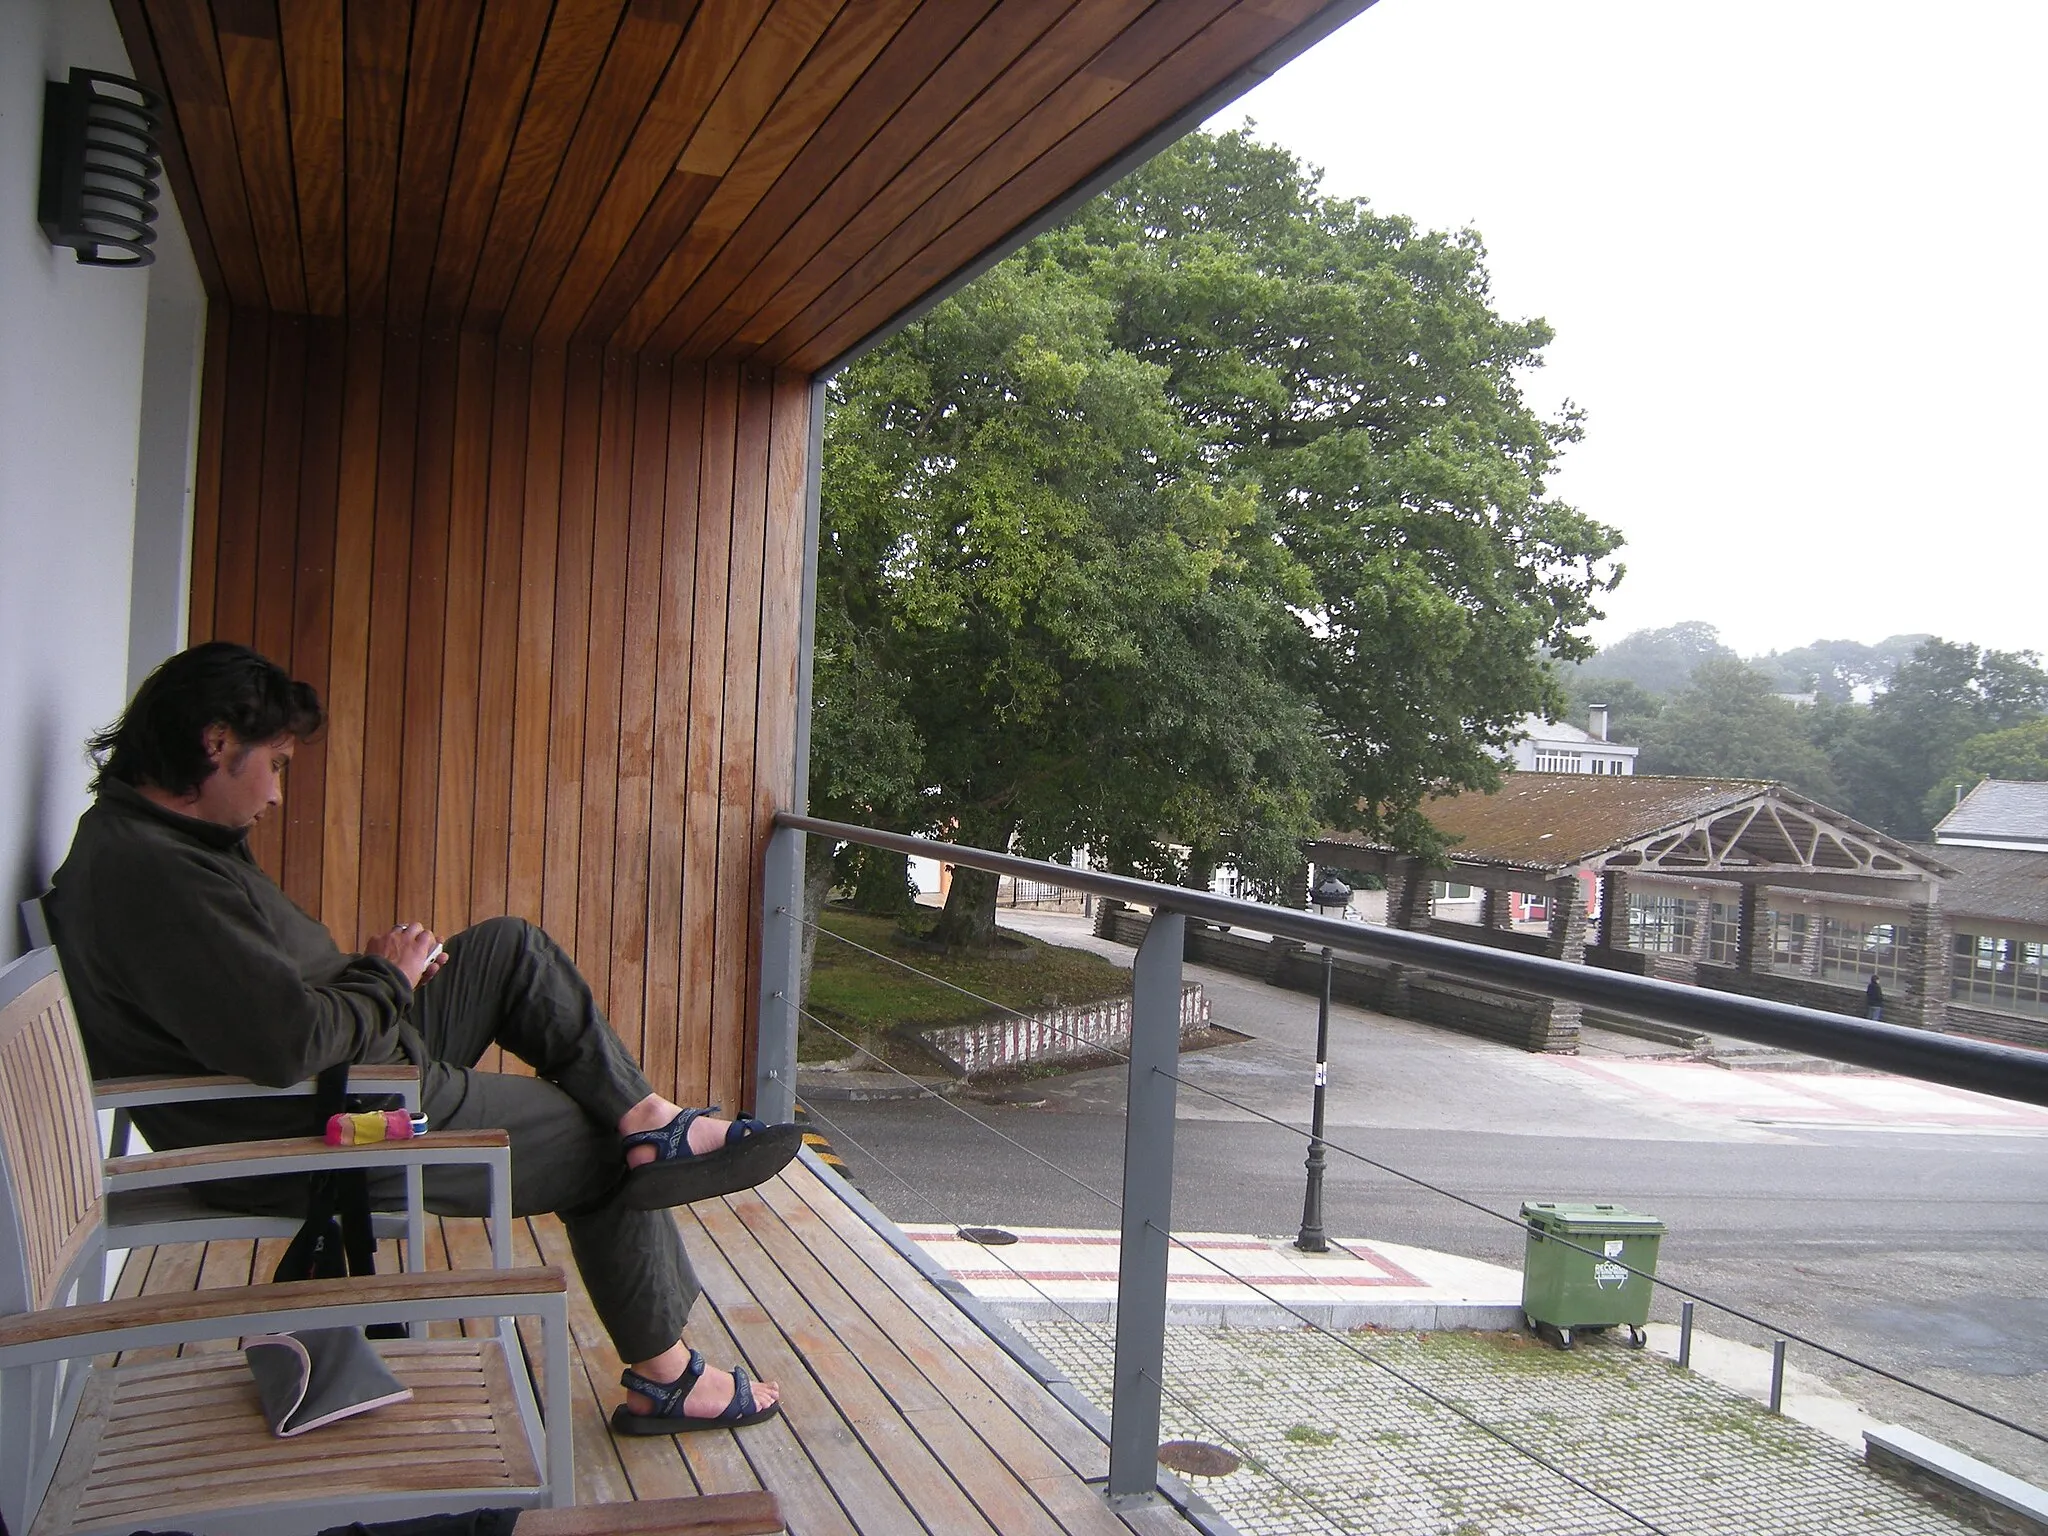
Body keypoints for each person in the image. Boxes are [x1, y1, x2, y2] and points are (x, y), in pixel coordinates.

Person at [47, 642, 797, 1435]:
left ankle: (650, 1115)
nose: (275, 793)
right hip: (330, 1120)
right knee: (597, 1146)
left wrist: (371, 974)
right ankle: (668, 1373)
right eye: (276, 763)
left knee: (511, 949)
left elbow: (257, 1002)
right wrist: (388, 981)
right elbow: (285, 1045)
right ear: (216, 742)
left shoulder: (156, 839)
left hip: (353, 1062)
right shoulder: (158, 876)